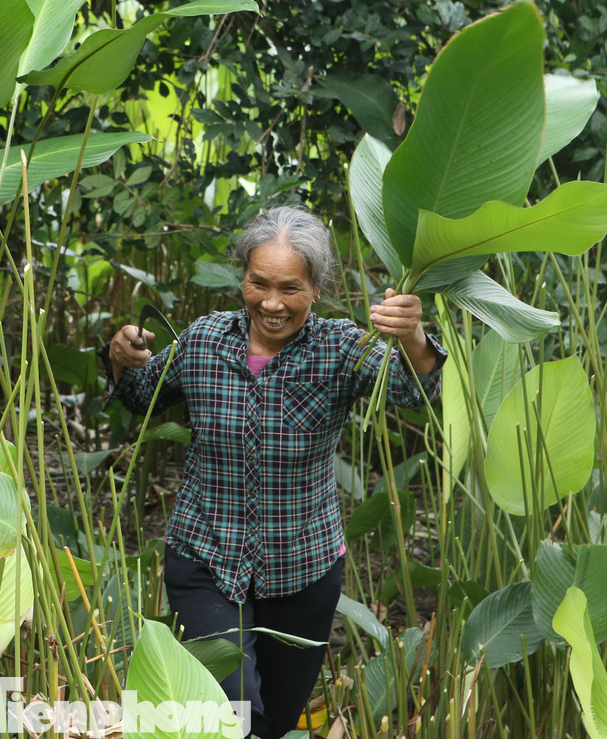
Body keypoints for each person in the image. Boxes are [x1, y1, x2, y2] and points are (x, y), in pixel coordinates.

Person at [101, 206, 445, 739]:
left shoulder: (340, 347)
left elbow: (411, 391)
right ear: (243, 276)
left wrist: (413, 338)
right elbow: (140, 393)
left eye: (290, 288)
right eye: (258, 283)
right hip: (205, 558)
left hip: (302, 570)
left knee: (276, 722)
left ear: (316, 287)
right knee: (230, 713)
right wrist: (122, 357)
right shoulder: (205, 339)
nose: (272, 302)